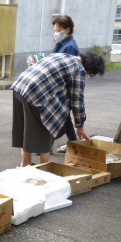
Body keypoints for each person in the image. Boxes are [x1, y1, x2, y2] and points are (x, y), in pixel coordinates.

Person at [10, 51, 105, 167]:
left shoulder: (62, 55)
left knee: (26, 130)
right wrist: (80, 126)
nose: (89, 75)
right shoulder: (78, 68)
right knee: (44, 131)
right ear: (90, 69)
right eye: (91, 74)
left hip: (19, 86)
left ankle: (25, 164)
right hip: (36, 93)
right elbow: (77, 100)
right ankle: (44, 168)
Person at [51, 15, 80, 153]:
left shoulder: (70, 47)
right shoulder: (60, 43)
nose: (55, 33)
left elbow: (70, 72)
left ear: (67, 30)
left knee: (55, 117)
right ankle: (75, 145)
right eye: (54, 30)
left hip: (62, 88)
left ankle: (46, 147)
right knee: (63, 117)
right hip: (56, 86)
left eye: (58, 30)